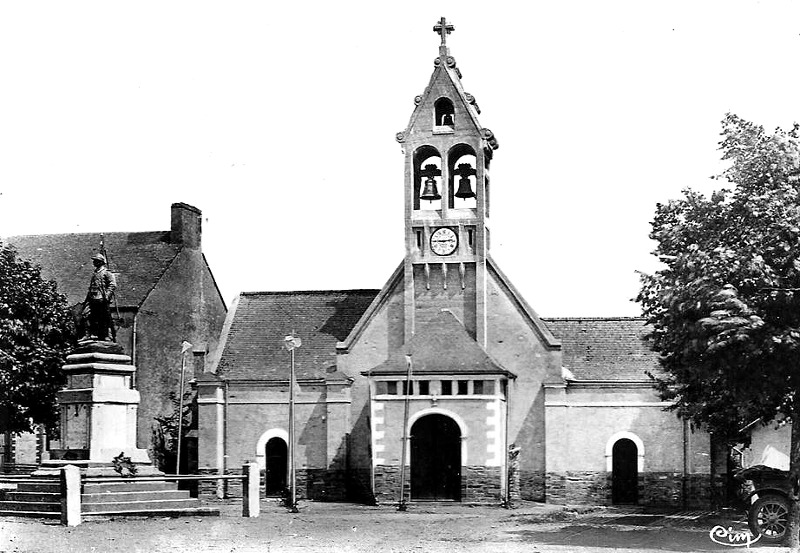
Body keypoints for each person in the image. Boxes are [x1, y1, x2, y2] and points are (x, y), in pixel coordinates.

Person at [81, 253, 117, 341]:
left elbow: (113, 285)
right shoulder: (95, 273)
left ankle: (105, 335)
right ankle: (91, 334)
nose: (94, 263)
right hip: (92, 297)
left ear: (101, 262)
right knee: (87, 315)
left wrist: (107, 295)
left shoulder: (106, 273)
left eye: (96, 261)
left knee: (103, 317)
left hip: (101, 298)